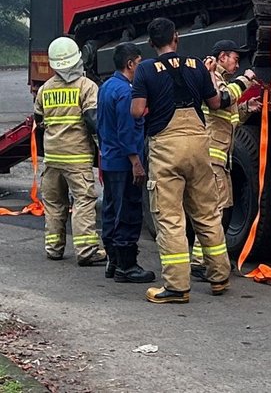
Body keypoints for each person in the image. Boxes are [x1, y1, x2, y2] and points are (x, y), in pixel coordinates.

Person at [131, 17, 231, 305]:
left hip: (166, 146)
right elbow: (214, 103)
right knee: (207, 213)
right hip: (199, 143)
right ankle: (220, 277)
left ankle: (176, 287)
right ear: (176, 37)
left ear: (150, 43)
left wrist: (150, 104)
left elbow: (137, 111)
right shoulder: (197, 65)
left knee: (171, 217)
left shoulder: (146, 70)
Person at [34, 36, 106, 266]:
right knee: (84, 200)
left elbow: (38, 122)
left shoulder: (45, 89)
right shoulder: (86, 86)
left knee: (55, 203)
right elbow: (93, 121)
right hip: (77, 156)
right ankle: (86, 250)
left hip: (53, 157)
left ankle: (53, 248)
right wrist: (102, 147)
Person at [190, 39, 260, 278]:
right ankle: (201, 261)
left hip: (221, 159)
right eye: (234, 59)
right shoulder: (212, 78)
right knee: (214, 210)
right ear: (222, 57)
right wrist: (247, 80)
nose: (237, 64)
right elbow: (222, 99)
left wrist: (246, 108)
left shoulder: (221, 79)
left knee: (221, 208)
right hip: (212, 157)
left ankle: (210, 258)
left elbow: (228, 119)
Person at [97, 42, 155, 285]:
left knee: (111, 210)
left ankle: (113, 260)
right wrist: (136, 162)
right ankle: (126, 266)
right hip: (124, 162)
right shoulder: (126, 93)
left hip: (110, 160)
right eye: (139, 62)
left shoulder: (106, 87)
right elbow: (126, 129)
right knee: (129, 212)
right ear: (131, 64)